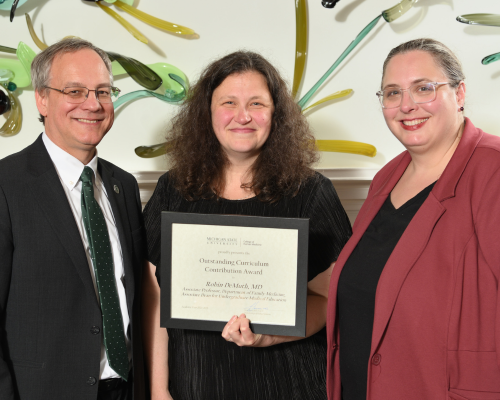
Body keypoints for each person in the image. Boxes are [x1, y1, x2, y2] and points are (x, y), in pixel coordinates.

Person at [142, 51, 352, 400]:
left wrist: (268, 336)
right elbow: (154, 298)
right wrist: (158, 389)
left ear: (275, 114)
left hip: (289, 385)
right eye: (228, 102)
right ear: (206, 113)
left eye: (257, 103)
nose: (243, 116)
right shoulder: (173, 190)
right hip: (195, 384)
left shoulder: (311, 192)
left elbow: (329, 299)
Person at [326, 37, 500, 400]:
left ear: (460, 93)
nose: (407, 106)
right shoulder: (386, 178)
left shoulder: (492, 170)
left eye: (424, 88)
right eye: (392, 93)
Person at [0, 38, 146, 400]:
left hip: (125, 389)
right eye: (75, 91)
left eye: (102, 91)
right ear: (42, 99)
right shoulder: (6, 184)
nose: (93, 104)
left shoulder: (122, 186)